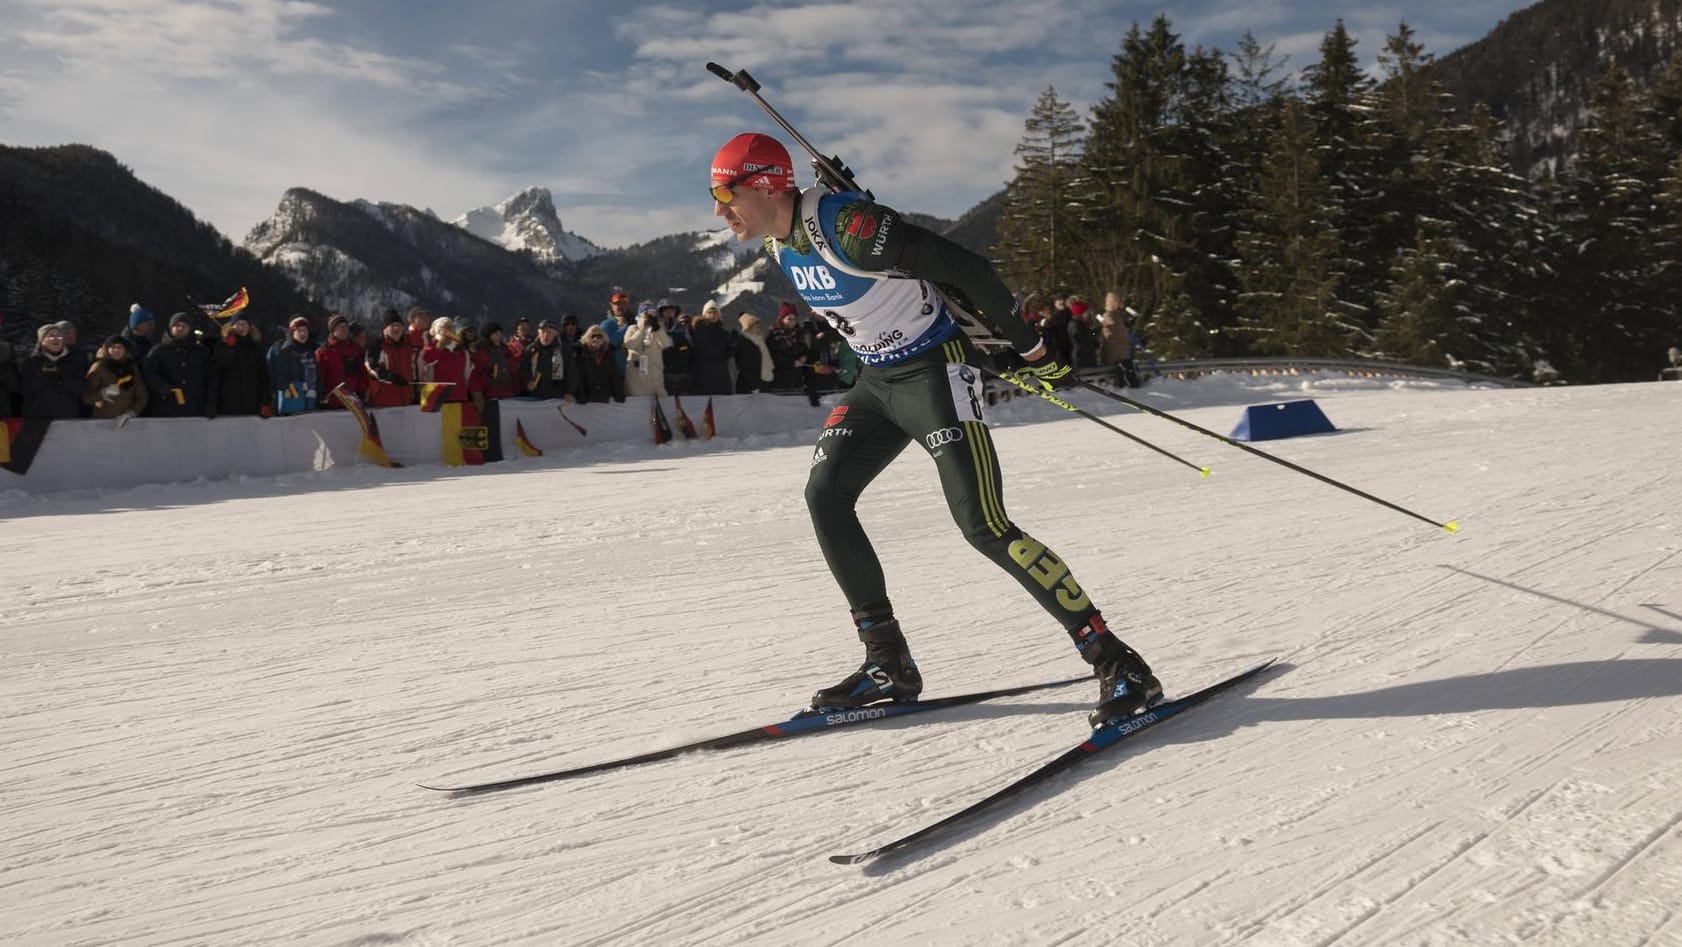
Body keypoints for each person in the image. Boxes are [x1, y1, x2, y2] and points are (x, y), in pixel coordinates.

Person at [708, 131, 1160, 724]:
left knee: (983, 524)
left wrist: (1028, 349)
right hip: (877, 383)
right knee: (825, 495)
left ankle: (1117, 662)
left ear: (765, 185)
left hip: (932, 376)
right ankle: (887, 662)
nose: (719, 210)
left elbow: (966, 269)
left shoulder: (843, 227)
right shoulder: (775, 241)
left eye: (725, 192)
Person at [142, 312, 215, 418]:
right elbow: (147, 371)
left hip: (195, 408)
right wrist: (161, 387)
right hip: (165, 408)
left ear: (189, 328)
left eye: (184, 326)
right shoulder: (159, 350)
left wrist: (210, 404)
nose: (180, 328)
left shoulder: (201, 352)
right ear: (171, 328)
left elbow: (211, 379)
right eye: (176, 325)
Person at [19, 324, 87, 418]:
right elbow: (25, 390)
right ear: (42, 341)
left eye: (59, 336)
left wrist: (61, 376)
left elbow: (80, 389)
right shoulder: (31, 362)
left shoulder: (75, 361)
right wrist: (44, 377)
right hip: (37, 418)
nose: (56, 339)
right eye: (51, 336)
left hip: (67, 417)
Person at [211, 313, 272, 417]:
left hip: (253, 403)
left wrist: (266, 402)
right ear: (232, 326)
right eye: (238, 324)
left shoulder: (256, 348)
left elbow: (264, 377)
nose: (242, 327)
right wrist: (230, 348)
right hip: (229, 403)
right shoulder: (222, 346)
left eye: (245, 324)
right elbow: (219, 367)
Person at [419, 316, 484, 409]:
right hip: (435, 403)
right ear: (436, 330)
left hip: (459, 400)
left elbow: (470, 375)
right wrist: (439, 346)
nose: (448, 330)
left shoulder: (462, 352)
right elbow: (424, 365)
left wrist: (477, 394)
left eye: (451, 327)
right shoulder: (428, 349)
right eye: (444, 327)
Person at [84, 335, 148, 420]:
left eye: (119, 347)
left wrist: (132, 412)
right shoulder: (99, 367)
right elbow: (86, 397)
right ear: (107, 349)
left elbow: (142, 395)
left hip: (127, 421)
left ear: (125, 349)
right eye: (112, 347)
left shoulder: (131, 367)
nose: (116, 350)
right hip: (103, 419)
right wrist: (103, 393)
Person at [365, 309, 419, 407]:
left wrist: (415, 391)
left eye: (399, 325)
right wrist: (391, 377)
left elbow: (414, 370)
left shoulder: (407, 346)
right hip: (384, 399)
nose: (396, 328)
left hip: (406, 398)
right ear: (385, 329)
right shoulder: (377, 345)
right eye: (392, 325)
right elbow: (372, 367)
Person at [270, 316, 319, 415]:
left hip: (310, 402)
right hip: (290, 401)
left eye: (305, 330)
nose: (302, 333)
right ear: (292, 332)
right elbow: (276, 374)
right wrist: (286, 388)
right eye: (299, 331)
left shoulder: (314, 350)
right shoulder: (282, 351)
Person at [315, 314, 366, 407]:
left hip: (355, 402)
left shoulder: (356, 349)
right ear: (333, 330)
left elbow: (363, 372)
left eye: (346, 327)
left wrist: (362, 392)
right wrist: (321, 396)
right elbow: (320, 378)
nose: (344, 330)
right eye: (341, 328)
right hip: (332, 402)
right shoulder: (323, 352)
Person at [623, 301, 671, 397]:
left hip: (654, 373)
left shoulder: (658, 329)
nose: (649, 317)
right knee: (637, 402)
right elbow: (629, 345)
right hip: (637, 374)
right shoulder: (632, 328)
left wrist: (657, 329)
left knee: (660, 401)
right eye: (646, 314)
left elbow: (666, 344)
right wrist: (642, 330)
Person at [689, 303, 736, 396]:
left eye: (715, 313)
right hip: (702, 375)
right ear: (704, 314)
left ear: (719, 315)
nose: (712, 315)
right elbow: (704, 351)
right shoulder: (697, 330)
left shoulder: (724, 333)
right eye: (709, 312)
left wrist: (733, 345)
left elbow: (727, 354)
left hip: (721, 376)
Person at [570, 324, 624, 404]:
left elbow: (614, 375)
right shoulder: (580, 353)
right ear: (587, 338)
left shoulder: (609, 354)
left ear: (604, 338)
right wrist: (581, 396)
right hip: (586, 398)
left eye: (599, 336)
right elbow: (578, 376)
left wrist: (619, 395)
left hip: (605, 397)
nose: (596, 339)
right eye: (592, 336)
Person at [519, 319, 569, 400]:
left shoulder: (563, 350)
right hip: (535, 394)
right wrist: (528, 381)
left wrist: (569, 392)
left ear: (555, 334)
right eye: (543, 332)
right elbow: (524, 369)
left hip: (558, 395)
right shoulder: (531, 350)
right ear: (538, 333)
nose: (545, 335)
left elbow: (571, 372)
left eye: (549, 333)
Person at [473, 321, 518, 401]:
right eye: (496, 334)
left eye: (500, 334)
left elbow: (513, 370)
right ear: (488, 336)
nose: (499, 337)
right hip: (490, 395)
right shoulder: (480, 352)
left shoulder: (505, 350)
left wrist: (517, 389)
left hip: (509, 394)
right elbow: (476, 374)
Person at [735, 313, 773, 393]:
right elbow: (744, 367)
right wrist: (754, 386)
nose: (759, 329)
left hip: (763, 382)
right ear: (748, 329)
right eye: (756, 327)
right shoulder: (743, 343)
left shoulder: (759, 342)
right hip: (749, 387)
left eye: (759, 327)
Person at [599, 291, 633, 376]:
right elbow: (610, 342)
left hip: (633, 372)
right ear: (612, 305)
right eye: (617, 304)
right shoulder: (606, 324)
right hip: (614, 372)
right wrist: (627, 327)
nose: (620, 306)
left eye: (623, 303)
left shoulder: (635, 322)